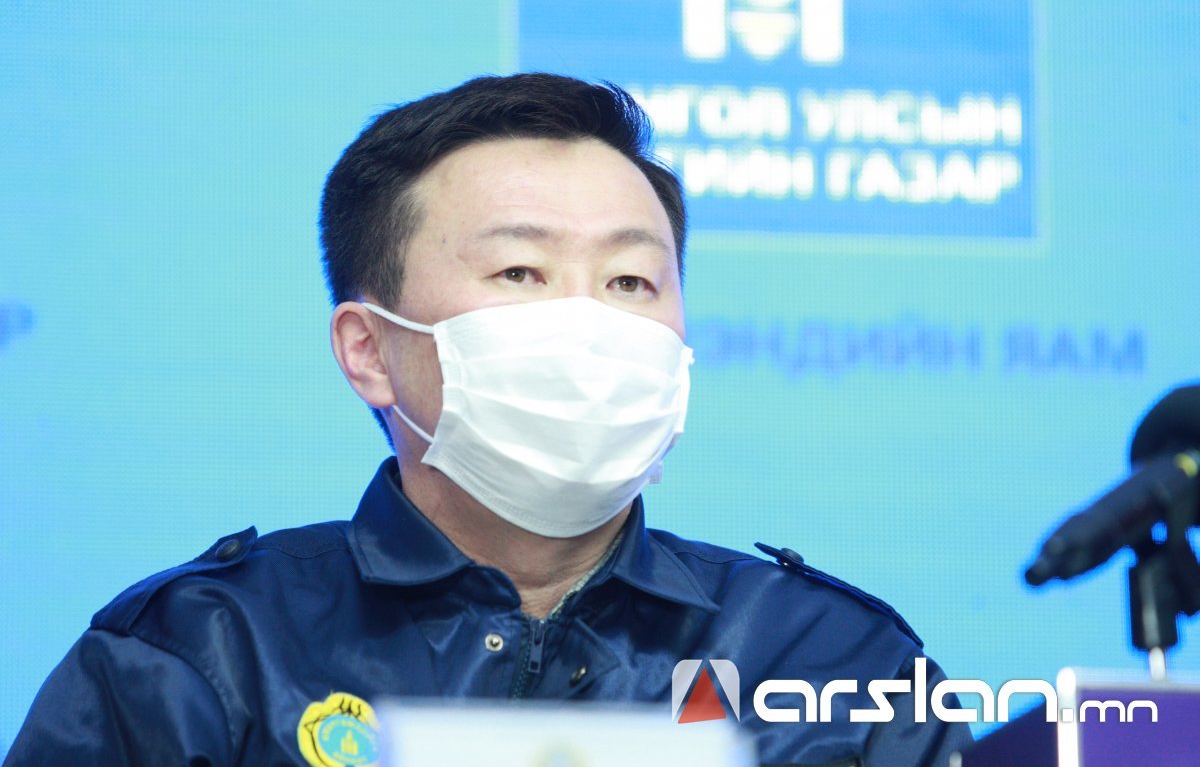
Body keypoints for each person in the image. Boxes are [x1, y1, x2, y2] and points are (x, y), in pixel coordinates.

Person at [8, 73, 972, 766]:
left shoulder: (833, 659)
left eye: (631, 280)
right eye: (521, 271)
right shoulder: (202, 654)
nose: (588, 322)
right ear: (369, 349)